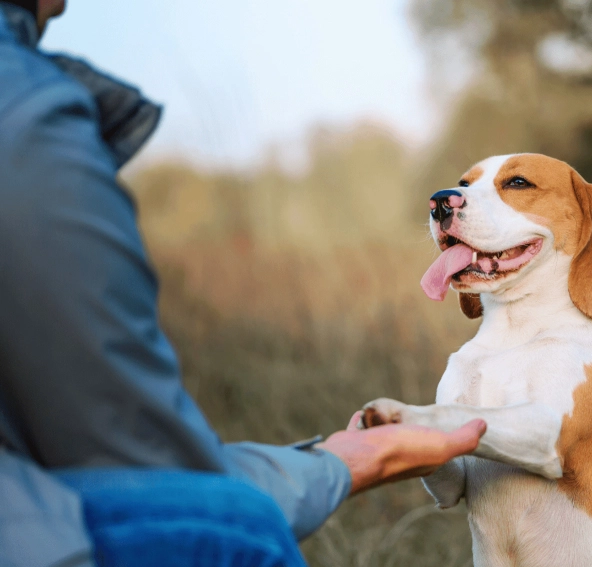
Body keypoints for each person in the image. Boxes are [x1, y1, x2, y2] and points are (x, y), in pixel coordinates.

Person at [0, 2, 487, 566]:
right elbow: (165, 485)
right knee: (236, 534)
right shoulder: (25, 116)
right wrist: (351, 463)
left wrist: (335, 461)